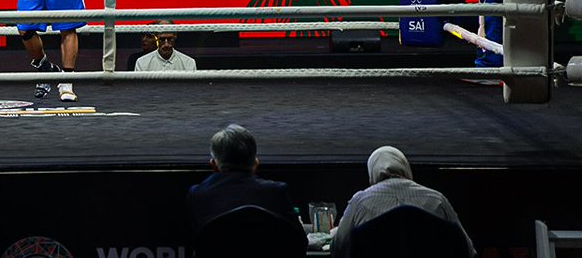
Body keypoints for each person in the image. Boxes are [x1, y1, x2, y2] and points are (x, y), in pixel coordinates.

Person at [330, 145, 475, 258]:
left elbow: (338, 248)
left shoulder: (360, 202)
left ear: (372, 174)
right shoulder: (437, 200)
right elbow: (468, 250)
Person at [185, 124, 303, 245]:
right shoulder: (276, 191)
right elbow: (299, 243)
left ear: (213, 165)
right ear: (256, 163)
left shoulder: (198, 194)